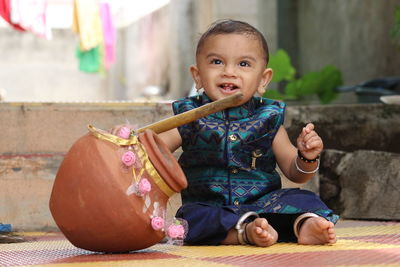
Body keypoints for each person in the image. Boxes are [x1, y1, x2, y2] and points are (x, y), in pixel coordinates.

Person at [118, 19, 338, 247]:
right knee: (189, 220)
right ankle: (244, 233)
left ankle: (303, 224)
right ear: (198, 76)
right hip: (210, 208)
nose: (229, 72)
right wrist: (129, 141)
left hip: (264, 204)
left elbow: (296, 173)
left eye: (243, 64)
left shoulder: (268, 119)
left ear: (263, 80)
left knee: (302, 198)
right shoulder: (189, 118)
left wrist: (307, 156)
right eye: (216, 62)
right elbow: (153, 150)